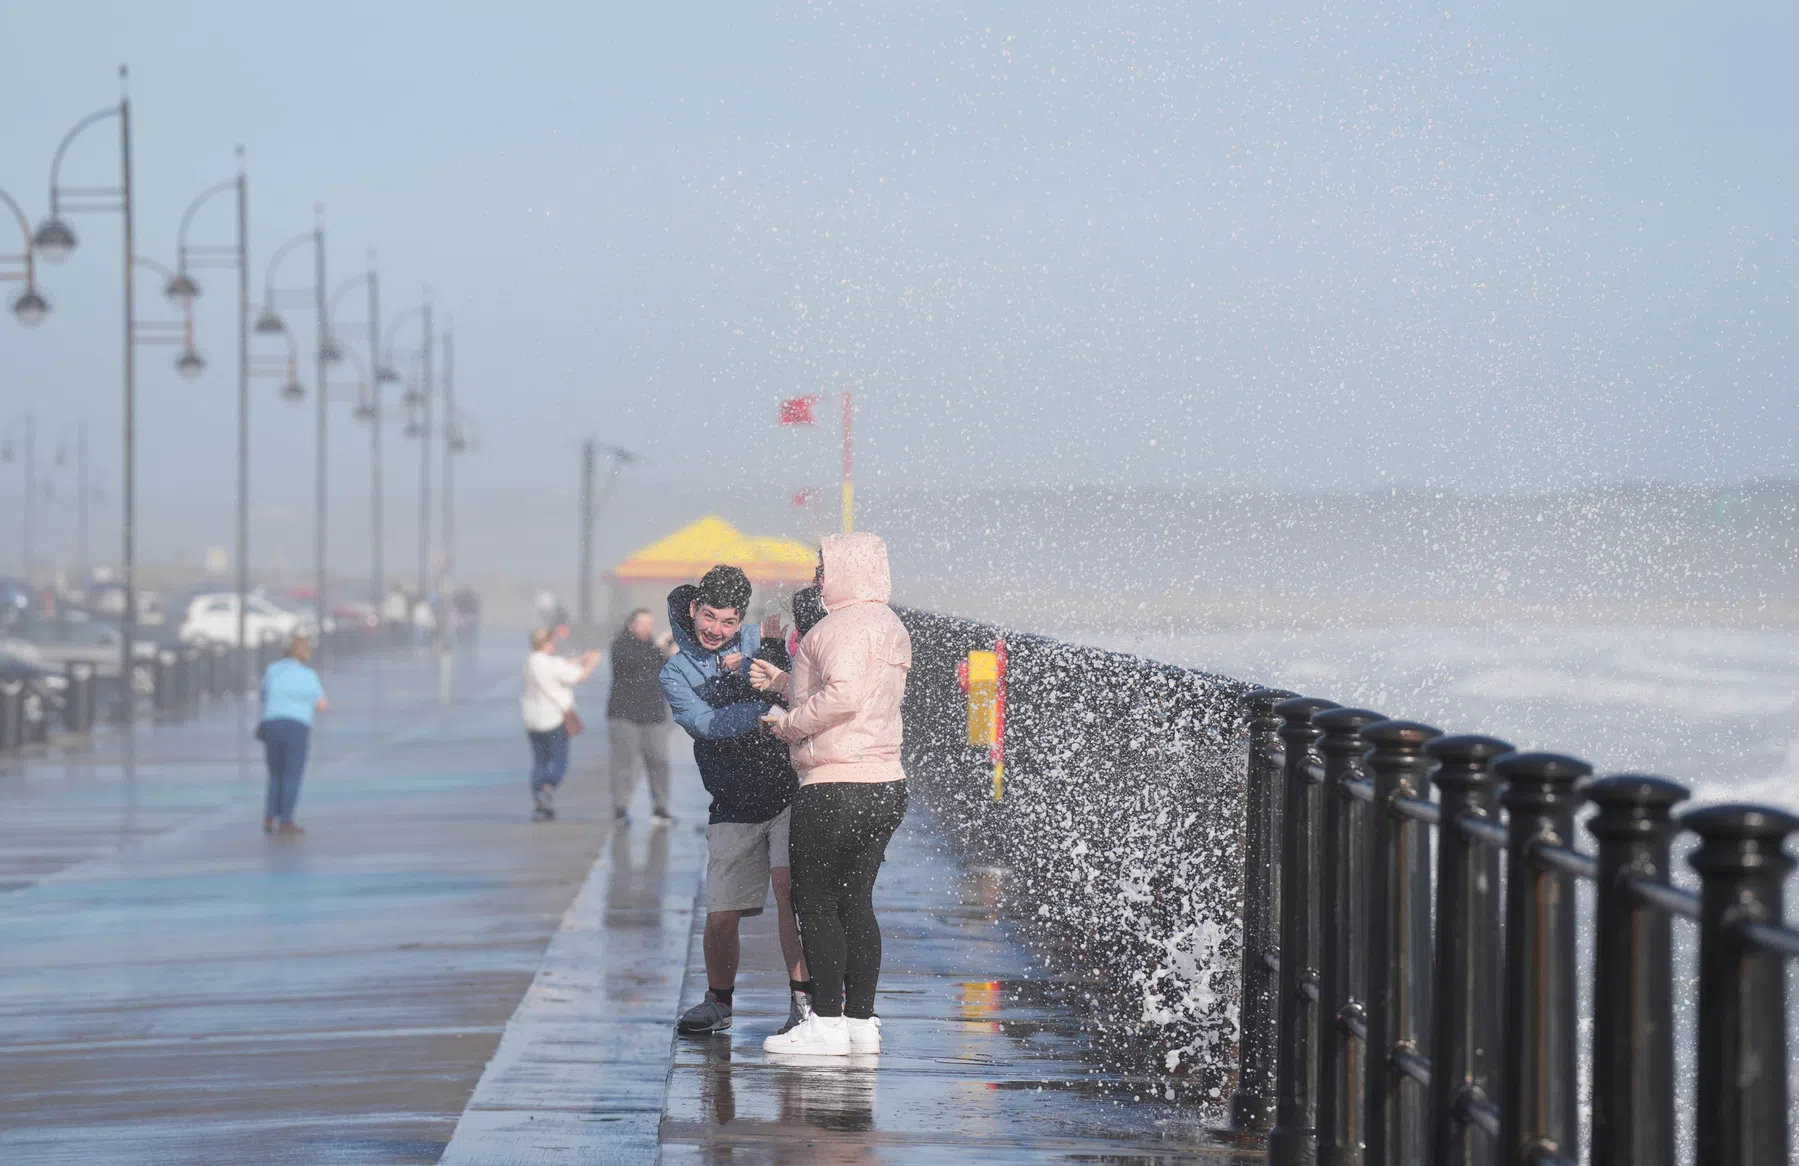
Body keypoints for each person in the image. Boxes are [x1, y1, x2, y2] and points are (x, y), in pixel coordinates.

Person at [753, 533, 911, 1056]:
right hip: (885, 781)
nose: (819, 580)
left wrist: (788, 726)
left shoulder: (835, 627)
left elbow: (841, 696)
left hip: (835, 784)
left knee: (815, 902)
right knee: (856, 902)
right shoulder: (890, 626)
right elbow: (860, 694)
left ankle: (823, 1024)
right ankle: (861, 1023)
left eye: (825, 569)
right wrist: (788, 684)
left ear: (847, 571)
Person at [660, 564, 812, 1038]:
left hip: (788, 791)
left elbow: (798, 688)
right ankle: (719, 1003)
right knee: (722, 913)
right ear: (693, 609)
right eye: (709, 618)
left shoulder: (758, 641)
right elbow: (704, 725)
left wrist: (757, 668)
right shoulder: (675, 671)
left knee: (790, 892)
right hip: (728, 800)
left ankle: (802, 1000)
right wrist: (758, 705)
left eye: (728, 622)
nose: (716, 631)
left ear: (741, 618)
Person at [521, 627, 600, 820]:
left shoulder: (530, 661)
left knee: (539, 761)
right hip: (554, 719)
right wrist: (592, 663)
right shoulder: (552, 663)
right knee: (559, 761)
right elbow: (578, 677)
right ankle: (547, 789)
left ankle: (538, 797)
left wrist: (580, 659)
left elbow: (560, 666)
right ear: (547, 643)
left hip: (532, 720)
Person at [607, 608, 676, 826]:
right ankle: (620, 809)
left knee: (660, 762)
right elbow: (632, 663)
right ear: (631, 625)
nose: (648, 627)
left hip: (653, 715)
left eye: (650, 623)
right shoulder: (621, 645)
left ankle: (660, 808)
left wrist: (672, 654)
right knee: (625, 764)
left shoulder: (652, 647)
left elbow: (666, 671)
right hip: (624, 715)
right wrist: (659, 649)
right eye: (643, 623)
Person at [258, 635, 328, 836]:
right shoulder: (309, 675)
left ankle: (269, 816)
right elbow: (322, 704)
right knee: (291, 775)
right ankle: (286, 820)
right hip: (297, 727)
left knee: (275, 773)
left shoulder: (273, 670)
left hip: (272, 725)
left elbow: (264, 694)